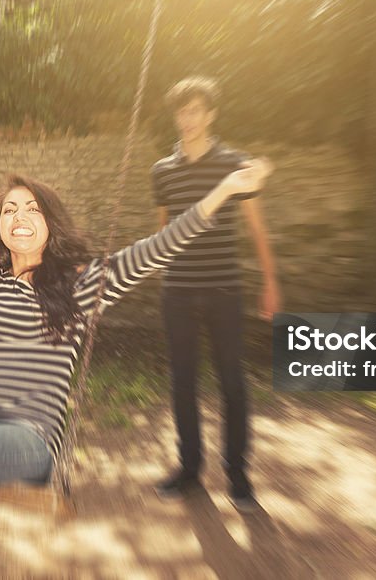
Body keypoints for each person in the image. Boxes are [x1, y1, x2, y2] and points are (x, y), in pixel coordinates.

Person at [0, 113, 272, 579]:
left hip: (26, 437)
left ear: (51, 222)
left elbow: (162, 244)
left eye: (32, 208)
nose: (19, 217)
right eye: (8, 211)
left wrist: (225, 190)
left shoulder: (81, 286)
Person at [151, 77, 281, 513]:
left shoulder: (234, 165)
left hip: (225, 289)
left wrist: (271, 281)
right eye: (181, 112)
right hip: (179, 292)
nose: (187, 119)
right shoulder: (162, 171)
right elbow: (162, 233)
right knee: (182, 383)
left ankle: (238, 476)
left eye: (195, 110)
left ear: (211, 114)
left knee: (232, 383)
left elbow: (257, 226)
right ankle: (189, 470)